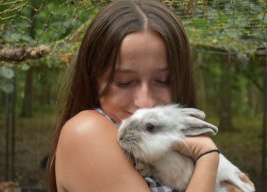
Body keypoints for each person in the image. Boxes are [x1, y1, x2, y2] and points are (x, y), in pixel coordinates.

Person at [47, 0, 254, 191]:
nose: (145, 102)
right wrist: (208, 156)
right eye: (124, 82)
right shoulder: (87, 132)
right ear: (93, 78)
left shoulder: (164, 142)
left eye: (164, 80)